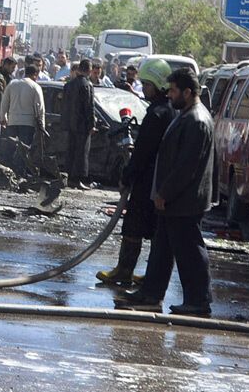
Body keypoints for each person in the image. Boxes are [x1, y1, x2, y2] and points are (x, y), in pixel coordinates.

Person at [115, 68, 215, 318]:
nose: (169, 95)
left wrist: (165, 192)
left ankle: (198, 301)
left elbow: (187, 166)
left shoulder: (197, 120)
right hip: (174, 199)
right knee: (161, 250)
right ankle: (150, 294)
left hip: (184, 200)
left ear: (187, 92)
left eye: (173, 90)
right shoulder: (186, 115)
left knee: (190, 251)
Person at [98, 58, 175, 285]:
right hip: (158, 180)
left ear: (158, 85)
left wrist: (127, 176)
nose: (145, 89)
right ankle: (150, 276)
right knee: (154, 229)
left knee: (134, 225)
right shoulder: (169, 111)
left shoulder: (157, 113)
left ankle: (125, 271)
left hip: (146, 180)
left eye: (148, 84)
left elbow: (143, 151)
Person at [63, 59, 96, 190]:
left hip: (70, 123)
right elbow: (89, 107)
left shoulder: (69, 85)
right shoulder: (87, 85)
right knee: (81, 152)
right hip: (82, 125)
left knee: (70, 150)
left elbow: (64, 105)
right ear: (89, 70)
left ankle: (69, 177)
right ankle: (77, 180)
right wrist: (92, 124)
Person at [0, 64, 45, 157]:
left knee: (10, 149)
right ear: (35, 74)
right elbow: (40, 108)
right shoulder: (35, 87)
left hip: (12, 121)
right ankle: (20, 166)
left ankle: (8, 165)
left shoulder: (12, 84)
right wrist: (42, 126)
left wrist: (3, 117)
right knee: (24, 151)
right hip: (27, 123)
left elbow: (4, 103)